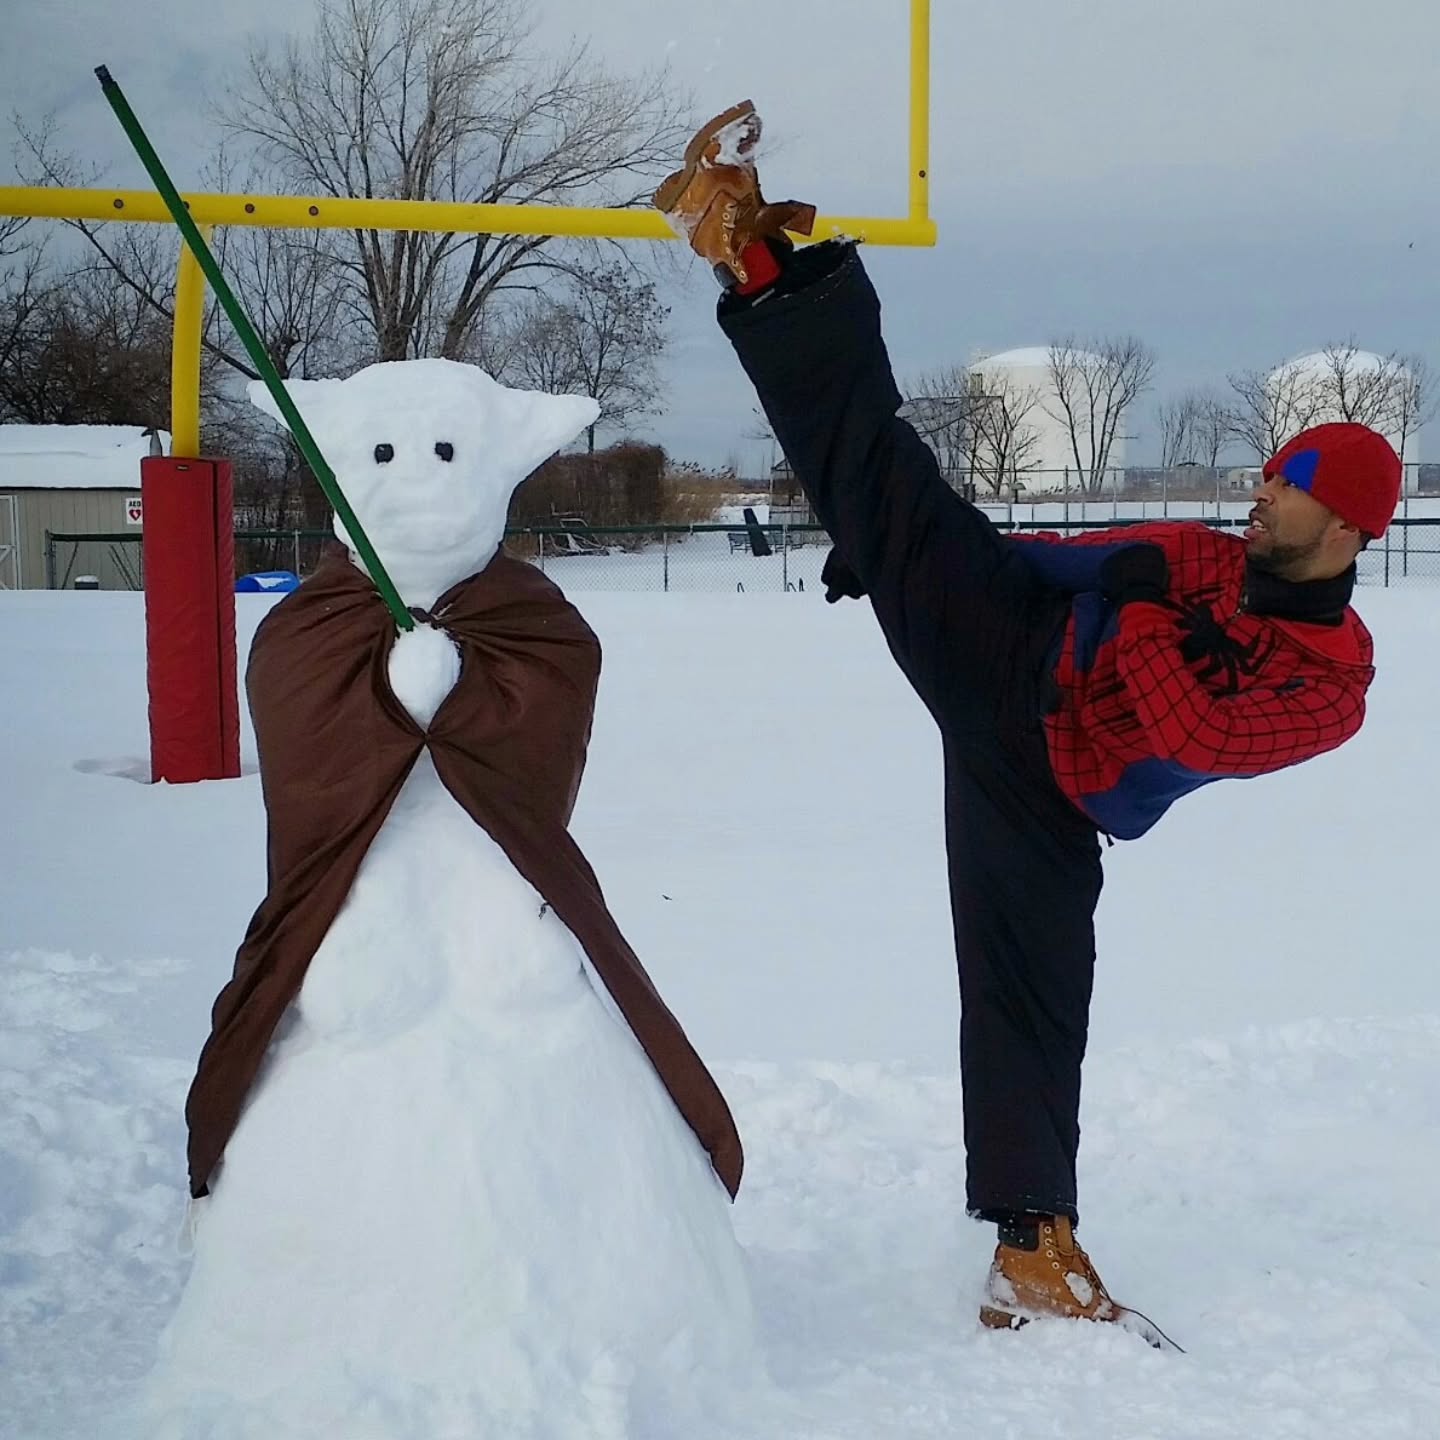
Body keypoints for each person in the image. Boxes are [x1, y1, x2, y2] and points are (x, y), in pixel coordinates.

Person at [654, 102, 1402, 1334]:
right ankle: (756, 257)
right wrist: (917, 561)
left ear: (1351, 526)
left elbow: (1191, 731)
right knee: (887, 477)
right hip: (1007, 641)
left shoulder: (1332, 686)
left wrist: (1139, 601)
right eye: (1269, 474)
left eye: (1289, 485)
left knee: (1032, 989)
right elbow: (1083, 559)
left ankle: (1032, 1248)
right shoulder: (1210, 558)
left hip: (1049, 780)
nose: (1260, 494)